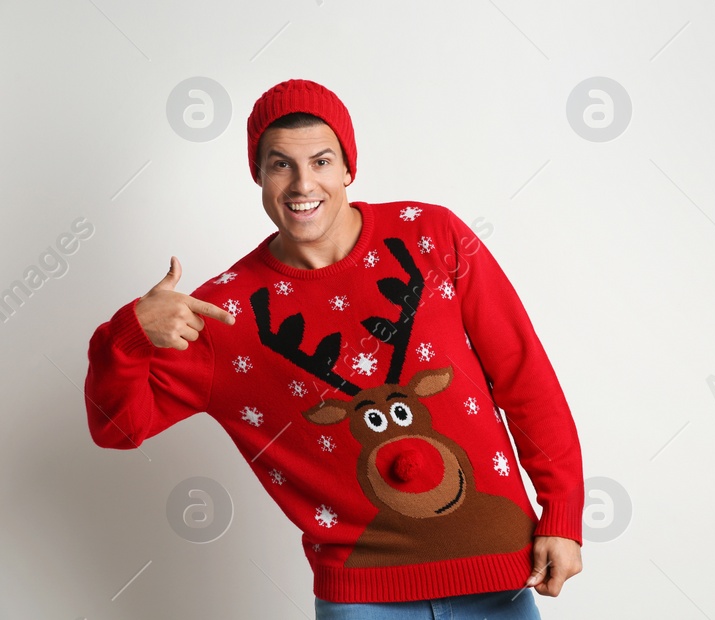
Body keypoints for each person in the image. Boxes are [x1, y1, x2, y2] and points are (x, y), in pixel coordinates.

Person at [83, 78, 582, 618]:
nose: (303, 184)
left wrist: (562, 513)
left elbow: (522, 375)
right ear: (257, 174)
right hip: (361, 599)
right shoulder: (223, 314)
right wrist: (128, 333)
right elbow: (118, 427)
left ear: (348, 168)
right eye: (281, 164)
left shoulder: (431, 236)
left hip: (500, 574)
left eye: (321, 161)